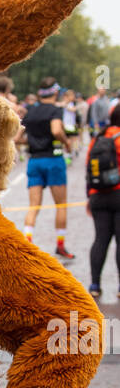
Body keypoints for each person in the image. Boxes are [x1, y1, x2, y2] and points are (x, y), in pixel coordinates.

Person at [18, 77, 75, 258]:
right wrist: (66, 142)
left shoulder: (30, 111)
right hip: (53, 160)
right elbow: (57, 130)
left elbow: (18, 137)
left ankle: (27, 243)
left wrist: (33, 142)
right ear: (55, 92)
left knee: (33, 206)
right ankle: (60, 246)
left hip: (34, 160)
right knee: (61, 205)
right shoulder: (55, 110)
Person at [86, 103, 120, 299]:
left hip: (98, 195)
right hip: (118, 193)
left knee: (100, 239)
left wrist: (89, 196)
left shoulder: (98, 138)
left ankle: (95, 284)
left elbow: (88, 169)